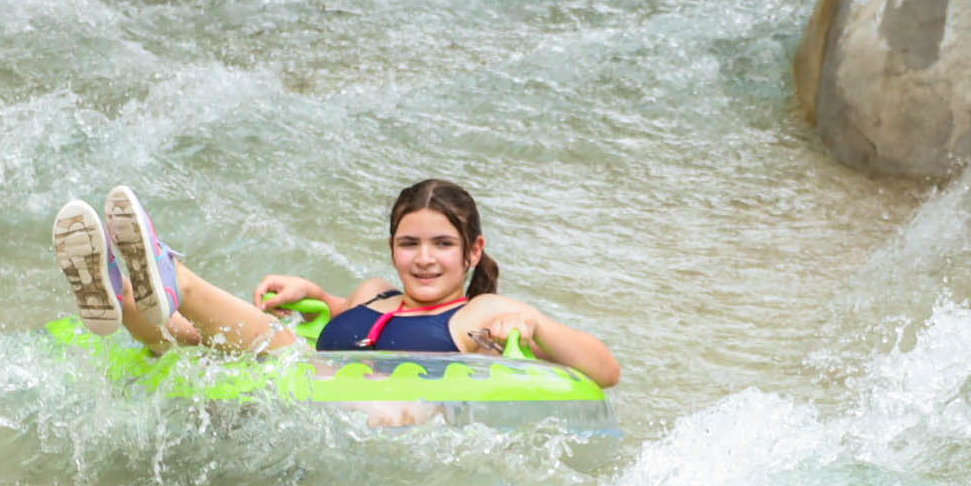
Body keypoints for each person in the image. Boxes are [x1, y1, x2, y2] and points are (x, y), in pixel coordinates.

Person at [52, 179, 622, 388]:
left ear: (473, 252)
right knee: (188, 345)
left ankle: (173, 273)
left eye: (443, 245)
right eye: (409, 243)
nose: (424, 260)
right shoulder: (375, 293)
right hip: (296, 375)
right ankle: (116, 294)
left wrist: (534, 326)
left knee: (277, 351)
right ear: (392, 248)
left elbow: (605, 371)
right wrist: (318, 296)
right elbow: (340, 319)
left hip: (332, 390)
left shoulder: (483, 312)